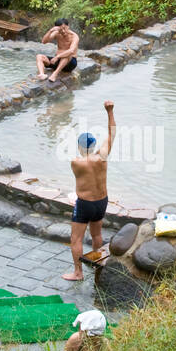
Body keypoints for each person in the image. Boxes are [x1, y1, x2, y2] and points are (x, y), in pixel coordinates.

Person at [65, 100, 116, 281]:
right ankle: (97, 266)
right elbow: (111, 133)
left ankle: (78, 273)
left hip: (85, 203)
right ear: (94, 146)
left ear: (80, 146)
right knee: (97, 234)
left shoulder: (76, 162)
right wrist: (109, 111)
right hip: (102, 201)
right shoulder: (102, 157)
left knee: (76, 239)